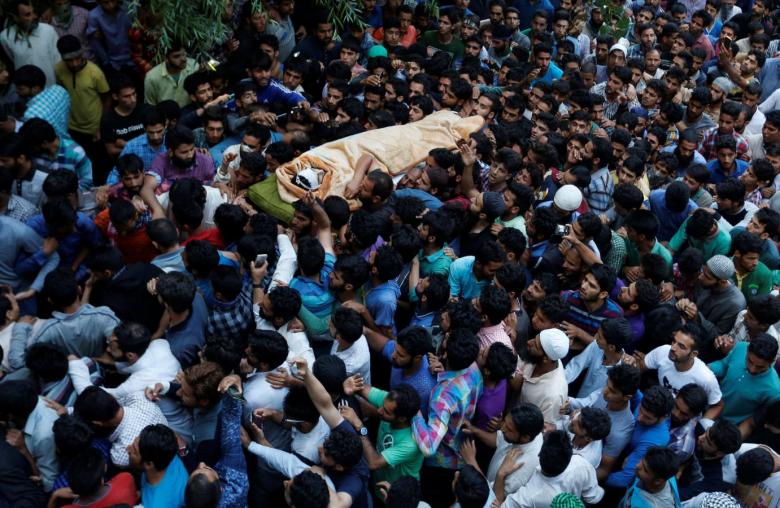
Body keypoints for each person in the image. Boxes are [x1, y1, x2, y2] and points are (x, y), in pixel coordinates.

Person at [710, 333, 780, 425]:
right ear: (747, 350)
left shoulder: (774, 391)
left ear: (771, 362)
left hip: (725, 427)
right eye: (749, 361)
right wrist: (707, 369)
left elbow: (755, 421)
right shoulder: (741, 347)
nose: (752, 369)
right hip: (709, 404)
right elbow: (723, 365)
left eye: (760, 367)